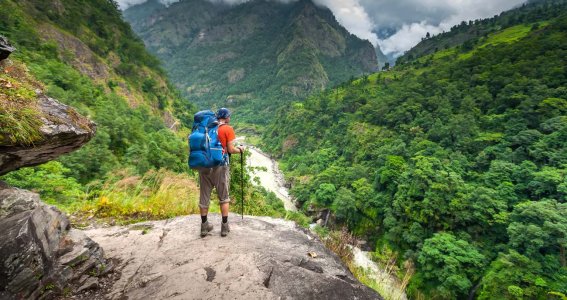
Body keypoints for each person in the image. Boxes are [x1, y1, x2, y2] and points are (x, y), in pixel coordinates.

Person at [198, 107, 244, 237]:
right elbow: (230, 149)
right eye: (229, 115)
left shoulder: (206, 127)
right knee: (224, 196)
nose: (230, 117)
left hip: (204, 165)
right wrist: (240, 149)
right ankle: (224, 227)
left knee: (204, 196)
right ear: (226, 117)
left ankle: (204, 226)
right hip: (221, 166)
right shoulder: (227, 129)